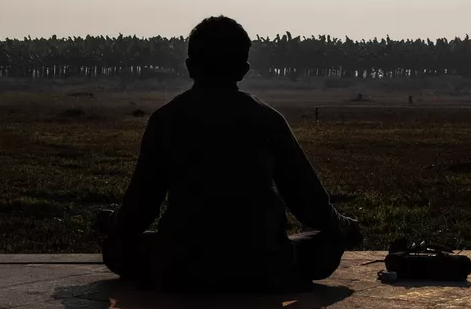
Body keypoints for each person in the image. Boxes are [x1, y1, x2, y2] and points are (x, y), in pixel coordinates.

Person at [100, 16, 362, 293]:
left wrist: (112, 221)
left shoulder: (165, 120)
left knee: (116, 248)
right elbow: (311, 205)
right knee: (327, 243)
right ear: (243, 70)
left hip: (182, 267)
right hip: (262, 267)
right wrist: (345, 226)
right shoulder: (268, 120)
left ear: (190, 66)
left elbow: (140, 209)